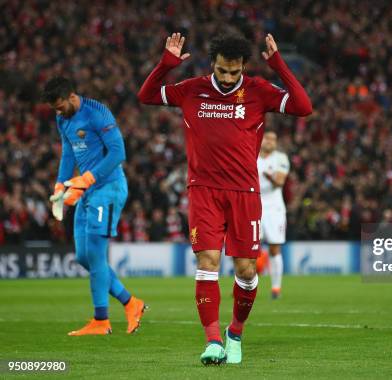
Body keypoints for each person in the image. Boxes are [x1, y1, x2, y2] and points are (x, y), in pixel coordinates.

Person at [138, 32, 311, 364]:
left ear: (244, 66)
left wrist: (278, 64)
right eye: (221, 71)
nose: (228, 78)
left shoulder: (258, 90)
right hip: (203, 191)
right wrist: (165, 65)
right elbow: (145, 95)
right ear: (212, 65)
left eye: (234, 72)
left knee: (246, 271)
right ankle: (213, 341)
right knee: (207, 264)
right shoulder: (192, 89)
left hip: (245, 193)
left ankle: (235, 333)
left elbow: (303, 107)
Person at [43, 77, 147, 336]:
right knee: (83, 256)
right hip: (85, 191)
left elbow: (118, 152)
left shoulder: (97, 113)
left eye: (60, 106)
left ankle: (101, 320)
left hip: (108, 188)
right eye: (54, 108)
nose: (58, 112)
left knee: (97, 256)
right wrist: (59, 186)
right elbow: (68, 152)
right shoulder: (62, 119)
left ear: (71, 96)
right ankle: (131, 302)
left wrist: (87, 178)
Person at [257, 131, 290, 299]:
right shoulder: (251, 155)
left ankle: (276, 288)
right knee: (250, 248)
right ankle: (245, 284)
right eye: (267, 138)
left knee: (274, 247)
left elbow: (279, 183)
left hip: (274, 209)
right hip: (254, 206)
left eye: (274, 139)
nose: (270, 141)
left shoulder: (280, 158)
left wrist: (270, 177)